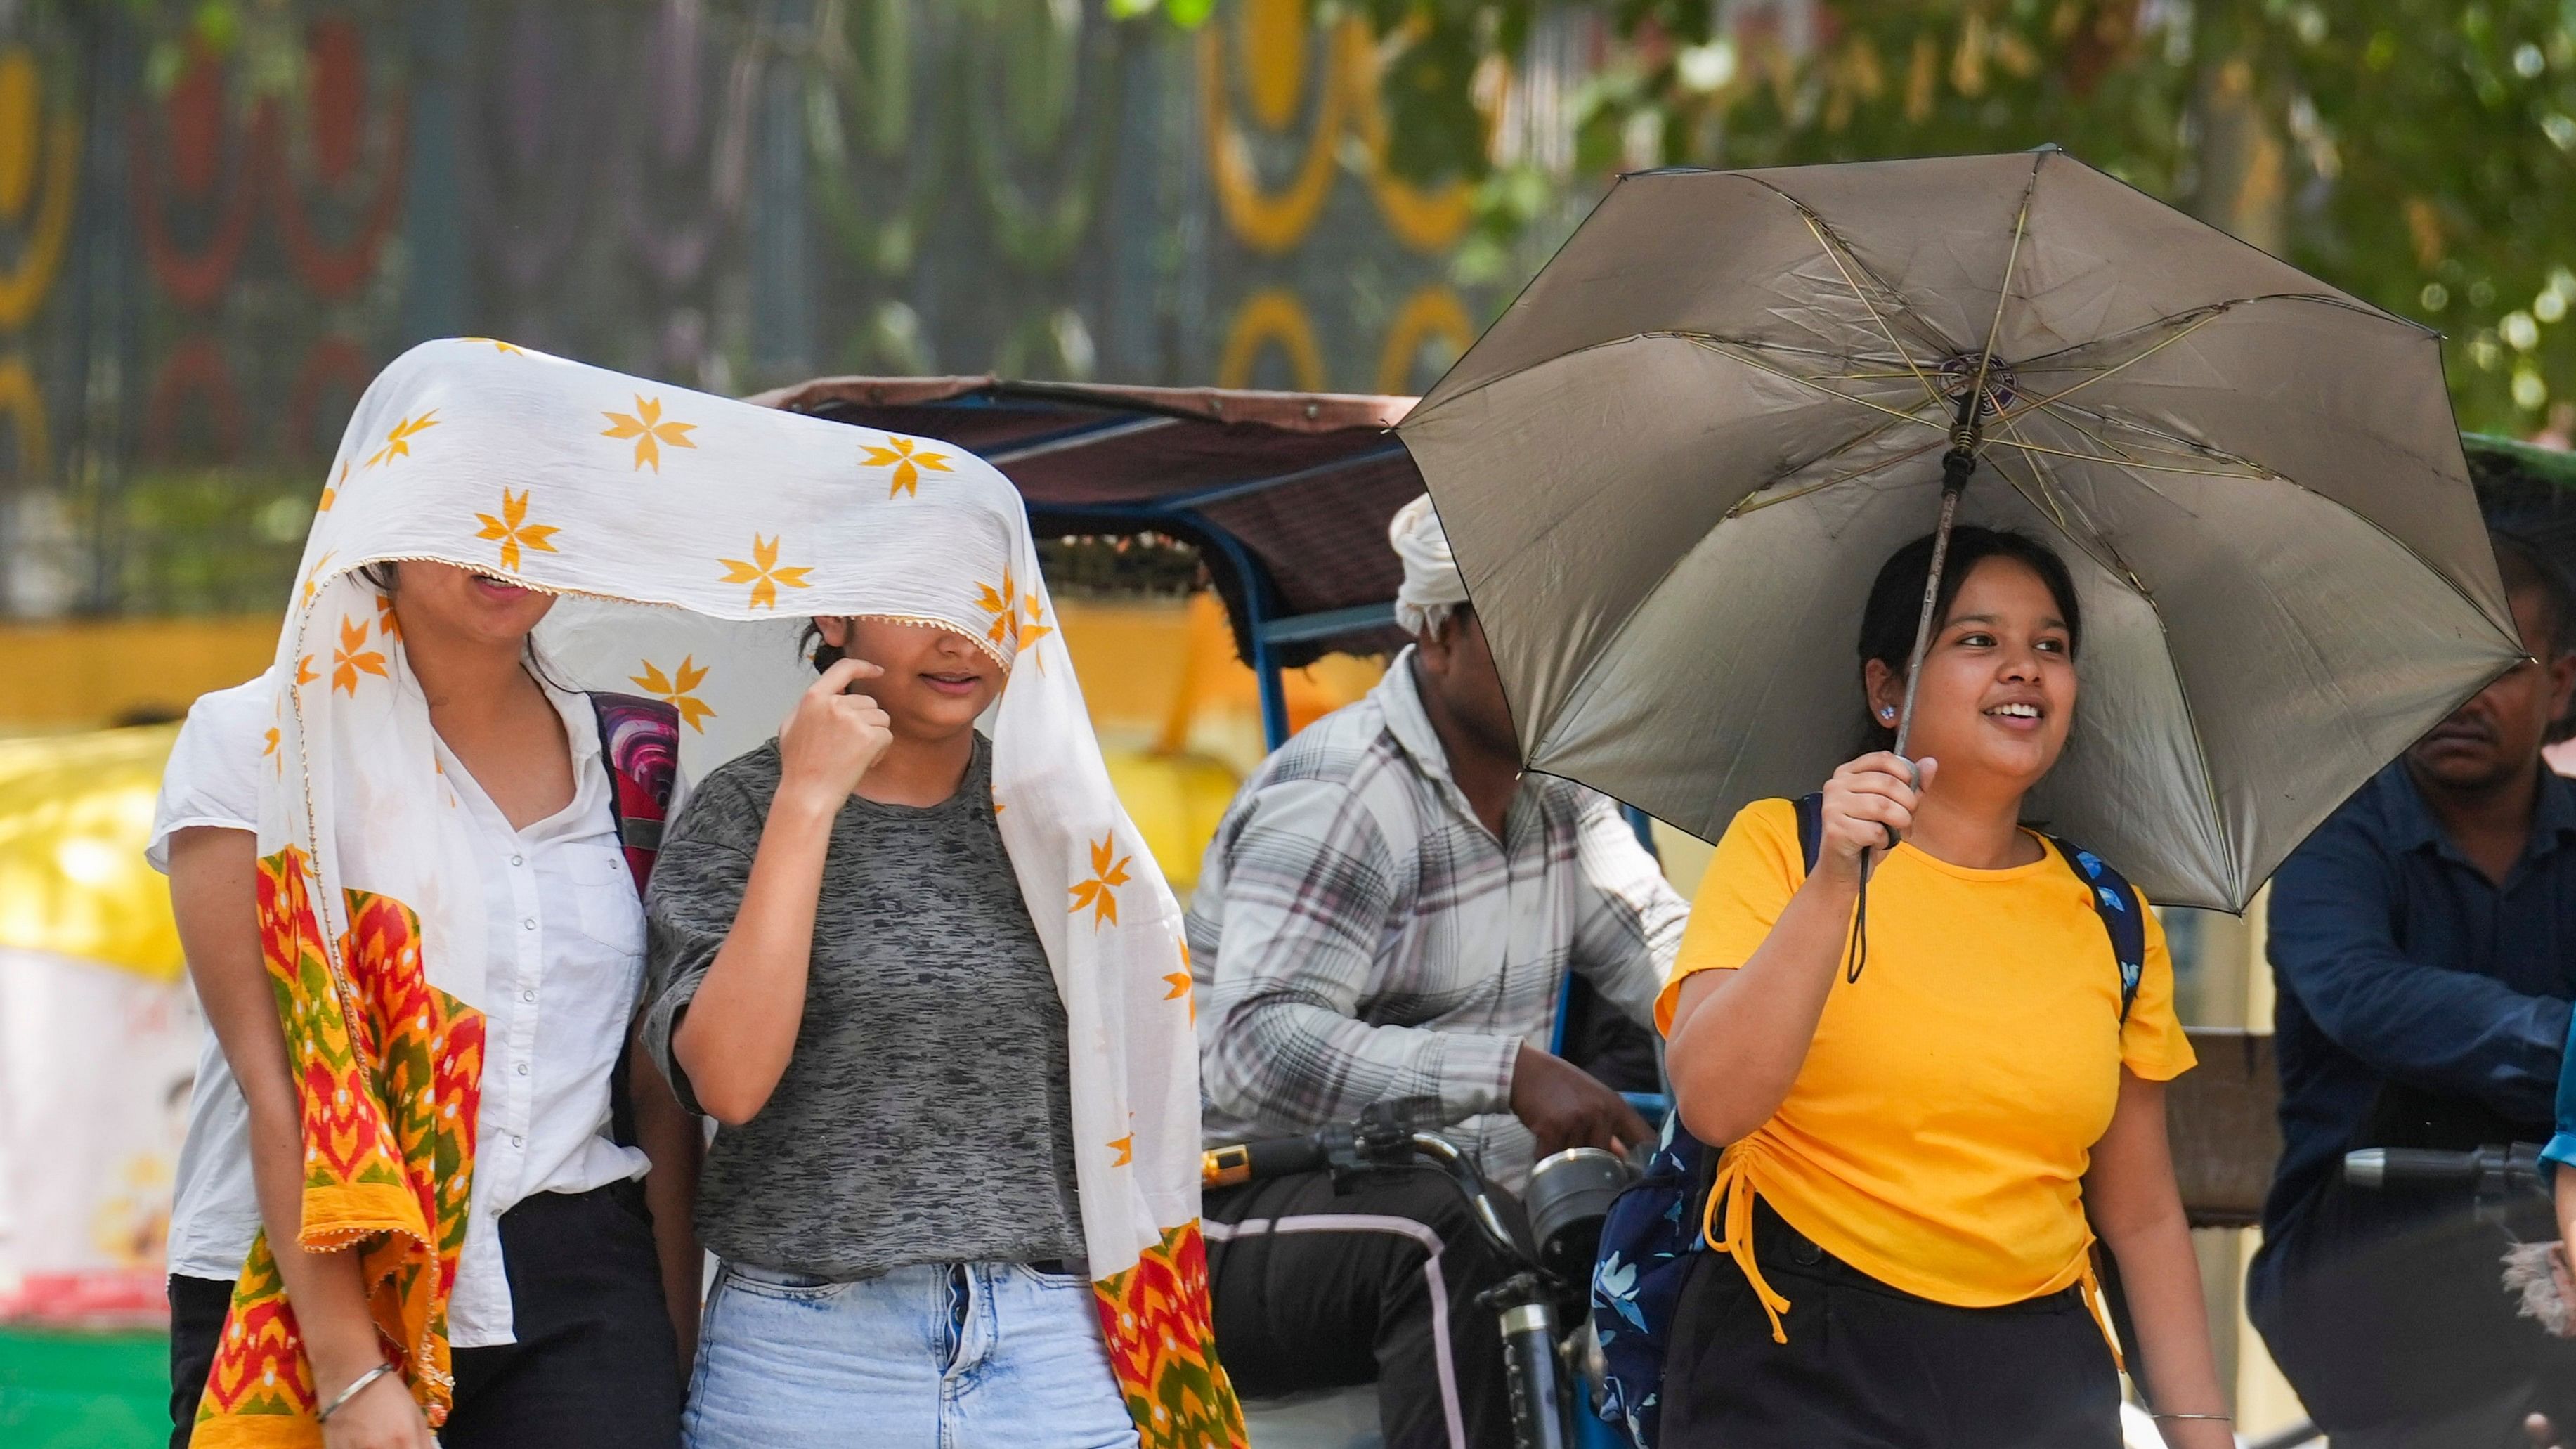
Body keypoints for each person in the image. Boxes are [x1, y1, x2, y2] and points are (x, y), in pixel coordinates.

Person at [642, 538, 1236, 1445]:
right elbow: (725, 1080)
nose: (962, 637)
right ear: (832, 612)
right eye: (922, 596)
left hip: (1052, 1336)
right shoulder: (742, 810)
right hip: (810, 1354)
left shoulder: (1059, 817)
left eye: (984, 600)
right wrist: (805, 801)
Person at [1658, 527, 2229, 1449]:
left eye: (2050, 646)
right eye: (1977, 640)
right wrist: (1837, 877)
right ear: (1885, 689)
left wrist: (2206, 1438)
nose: (2024, 670)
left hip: (2035, 1372)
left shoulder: (2109, 909)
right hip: (1801, 1349)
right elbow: (1714, 1102)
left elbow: (2141, 1213)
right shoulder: (1783, 847)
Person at [1188, 494, 1686, 1449]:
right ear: (1438, 632)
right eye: (1528, 631)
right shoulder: (1341, 794)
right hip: (1222, 1218)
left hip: (1449, 1205)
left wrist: (1766, 1028)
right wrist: (1506, 1072)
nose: (1560, 666)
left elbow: (1672, 958)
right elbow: (1252, 1048)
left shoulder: (1563, 806)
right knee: (1441, 1235)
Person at [171, 561, 703, 1449]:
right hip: (310, 1271)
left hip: (581, 1292)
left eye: (537, 516)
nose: (507, 548)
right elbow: (288, 1082)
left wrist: (671, 1355)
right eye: (466, 513)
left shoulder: (635, 759)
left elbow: (656, 1093)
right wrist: (350, 1371)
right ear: (385, 525)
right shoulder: (265, 736)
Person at [2249, 533, 2576, 1447]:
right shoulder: (2332, 836)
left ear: (2559, 684)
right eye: (2430, 660)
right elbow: (2361, 997)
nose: (2457, 692)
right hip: (2363, 1269)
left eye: (2497, 664)